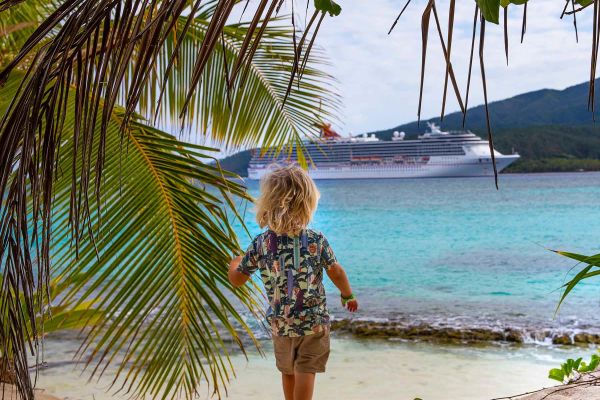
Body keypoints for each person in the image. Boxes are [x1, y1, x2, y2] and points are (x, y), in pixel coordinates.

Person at [228, 164, 358, 400]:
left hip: (282, 324)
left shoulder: (262, 243)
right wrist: (347, 294)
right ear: (308, 204)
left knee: (288, 371)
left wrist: (234, 264)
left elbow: (237, 280)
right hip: (314, 322)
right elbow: (336, 271)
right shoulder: (316, 239)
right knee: (306, 369)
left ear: (267, 203)